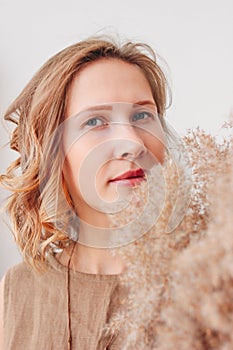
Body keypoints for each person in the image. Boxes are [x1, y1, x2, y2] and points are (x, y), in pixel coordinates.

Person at [0, 35, 171, 349]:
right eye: (95, 121)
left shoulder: (210, 277)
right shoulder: (16, 288)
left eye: (142, 116)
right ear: (52, 152)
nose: (132, 143)